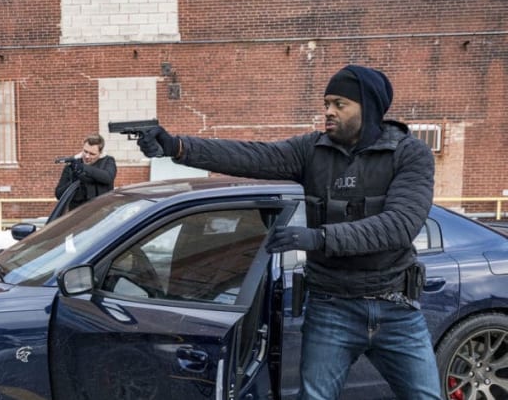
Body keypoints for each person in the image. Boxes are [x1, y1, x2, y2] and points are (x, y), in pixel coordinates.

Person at [136, 65, 441, 399]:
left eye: (340, 104)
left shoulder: (410, 154)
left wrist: (319, 238)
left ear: (367, 108)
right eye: (327, 103)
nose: (328, 111)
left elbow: (398, 226)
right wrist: (178, 147)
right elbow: (252, 156)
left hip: (396, 308)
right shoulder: (312, 151)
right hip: (332, 307)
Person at [55, 134, 116, 210]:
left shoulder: (108, 161)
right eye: (85, 151)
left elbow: (108, 177)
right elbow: (59, 194)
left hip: (102, 212)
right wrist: (73, 181)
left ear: (100, 153)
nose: (87, 156)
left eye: (92, 154)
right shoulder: (72, 164)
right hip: (77, 213)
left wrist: (83, 167)